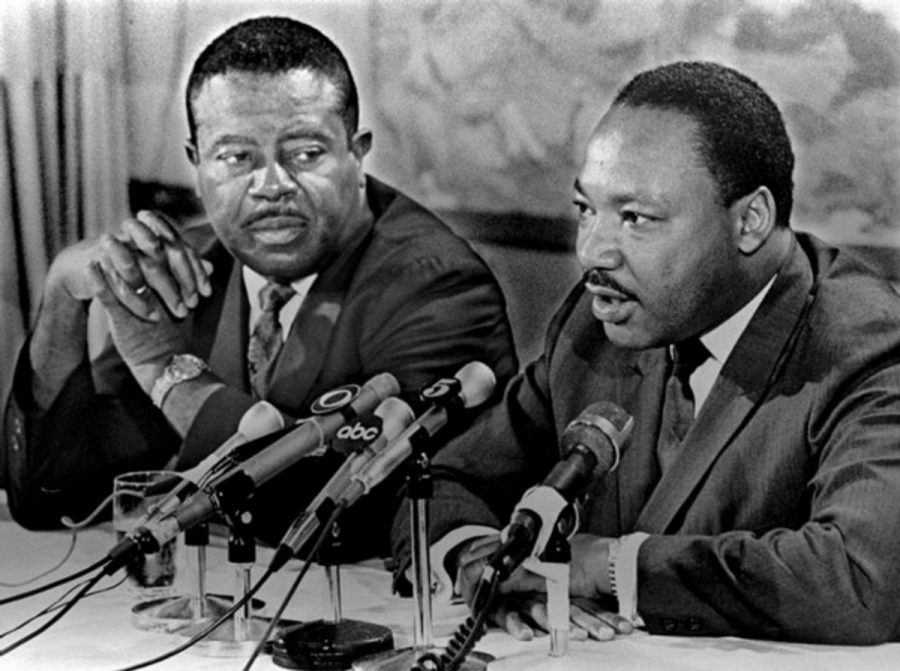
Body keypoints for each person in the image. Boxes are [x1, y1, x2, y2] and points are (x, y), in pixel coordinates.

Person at [391, 61, 900, 644]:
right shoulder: (596, 321)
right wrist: (480, 562)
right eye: (587, 210)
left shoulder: (863, 345)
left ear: (751, 220)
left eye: (635, 218)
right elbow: (447, 481)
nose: (592, 253)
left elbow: (862, 579)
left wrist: (610, 567)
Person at [1, 16, 517, 561]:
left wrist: (166, 372)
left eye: (305, 153)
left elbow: (350, 517)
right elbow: (51, 495)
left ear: (356, 152)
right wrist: (62, 290)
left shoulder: (436, 285)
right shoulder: (193, 265)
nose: (271, 185)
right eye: (236, 157)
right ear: (196, 162)